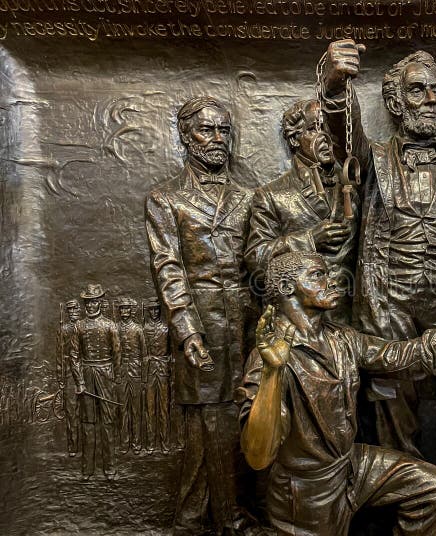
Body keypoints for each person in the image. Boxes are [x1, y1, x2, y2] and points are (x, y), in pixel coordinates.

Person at [319, 40, 436, 534]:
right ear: (396, 102)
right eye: (418, 91)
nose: (431, 100)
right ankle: (408, 524)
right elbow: (343, 137)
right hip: (388, 309)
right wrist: (336, 86)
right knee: (391, 421)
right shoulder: (372, 159)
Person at [236, 251, 436, 535]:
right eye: (318, 275)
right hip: (306, 491)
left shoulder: (341, 337)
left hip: (351, 467)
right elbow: (258, 455)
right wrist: (272, 373)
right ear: (285, 288)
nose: (331, 281)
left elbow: (395, 355)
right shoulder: (267, 358)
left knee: (433, 487)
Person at [145, 96, 254, 535]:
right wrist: (187, 332)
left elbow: (257, 261)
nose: (216, 140)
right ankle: (224, 519)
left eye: (223, 131)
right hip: (203, 326)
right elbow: (167, 269)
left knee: (229, 422)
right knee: (210, 424)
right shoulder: (165, 200)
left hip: (246, 328)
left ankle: (193, 519)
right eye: (206, 130)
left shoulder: (248, 197)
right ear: (185, 136)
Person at [245, 99, 358, 323]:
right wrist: (308, 240)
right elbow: (256, 258)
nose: (325, 138)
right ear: (295, 138)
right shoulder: (271, 195)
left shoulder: (352, 188)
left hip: (349, 317)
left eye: (329, 129)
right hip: (298, 322)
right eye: (314, 129)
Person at [69, 283, 121, 481]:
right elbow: (74, 356)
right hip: (87, 374)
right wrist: (80, 381)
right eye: (88, 302)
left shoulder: (110, 325)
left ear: (100, 302)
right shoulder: (78, 326)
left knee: (108, 422)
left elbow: (117, 354)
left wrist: (113, 378)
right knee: (88, 422)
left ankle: (110, 467)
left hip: (106, 374)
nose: (91, 305)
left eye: (94, 301)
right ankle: (87, 469)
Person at [117, 297, 147, 455]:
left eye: (127, 309)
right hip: (121, 372)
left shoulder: (137, 329)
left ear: (131, 310)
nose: (124, 312)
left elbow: (144, 355)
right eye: (122, 309)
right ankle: (124, 442)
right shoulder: (115, 328)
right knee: (123, 409)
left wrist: (143, 378)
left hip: (135, 372)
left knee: (136, 410)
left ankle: (136, 442)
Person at [143, 298, 171, 454]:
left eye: (156, 309)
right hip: (149, 372)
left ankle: (165, 442)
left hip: (163, 371)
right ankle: (151, 443)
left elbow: (172, 352)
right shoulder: (144, 328)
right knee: (150, 408)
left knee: (164, 409)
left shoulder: (166, 328)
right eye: (151, 310)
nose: (153, 312)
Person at [59, 299, 82, 457]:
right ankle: (73, 445)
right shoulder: (64, 329)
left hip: (86, 371)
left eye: (75, 310)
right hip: (68, 374)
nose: (73, 312)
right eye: (70, 310)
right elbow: (59, 356)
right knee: (71, 412)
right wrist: (60, 377)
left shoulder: (84, 326)